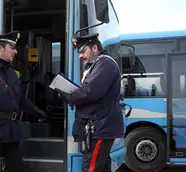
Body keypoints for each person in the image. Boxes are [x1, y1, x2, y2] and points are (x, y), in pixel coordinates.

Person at [57, 33, 125, 172]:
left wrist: (68, 96)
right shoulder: (97, 65)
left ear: (94, 48)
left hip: (100, 127)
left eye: (83, 51)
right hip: (99, 126)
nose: (80, 56)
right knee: (101, 166)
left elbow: (90, 91)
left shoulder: (105, 63)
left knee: (91, 168)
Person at [0, 30, 47, 172]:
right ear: (0, 48)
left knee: (17, 167)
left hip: (10, 131)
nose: (15, 52)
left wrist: (38, 112)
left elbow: (19, 99)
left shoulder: (11, 72)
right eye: (12, 48)